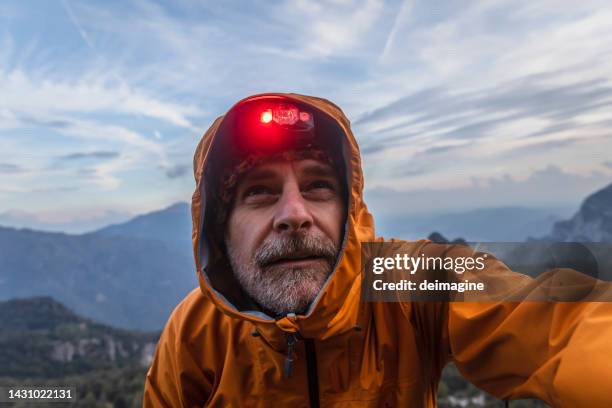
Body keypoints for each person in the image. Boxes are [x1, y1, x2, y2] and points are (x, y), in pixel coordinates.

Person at [143, 93, 612, 407]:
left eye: (319, 186)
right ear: (220, 227)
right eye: (259, 193)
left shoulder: (405, 280)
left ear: (350, 210)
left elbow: (555, 325)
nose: (295, 213)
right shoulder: (194, 332)